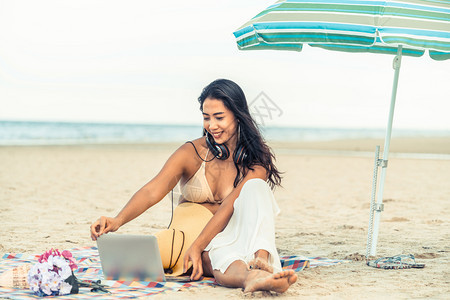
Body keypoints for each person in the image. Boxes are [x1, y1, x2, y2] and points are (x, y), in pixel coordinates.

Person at [90, 79, 297, 293]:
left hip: (231, 239)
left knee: (256, 189)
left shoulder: (255, 161)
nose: (211, 125)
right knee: (212, 254)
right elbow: (153, 190)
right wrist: (117, 220)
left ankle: (260, 262)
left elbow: (228, 207)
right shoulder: (191, 153)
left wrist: (199, 246)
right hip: (195, 242)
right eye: (206, 118)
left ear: (238, 115)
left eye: (219, 117)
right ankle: (253, 275)